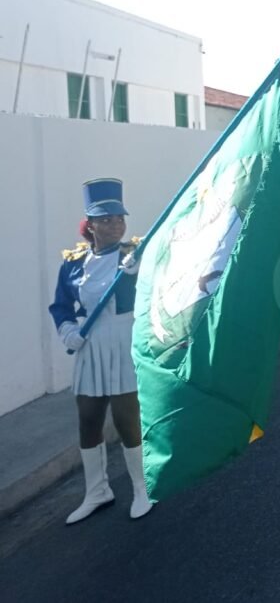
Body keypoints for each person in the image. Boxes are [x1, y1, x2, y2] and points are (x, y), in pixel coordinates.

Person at [48, 179, 152, 523]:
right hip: (91, 345)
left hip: (124, 341)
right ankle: (97, 491)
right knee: (89, 418)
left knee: (126, 419)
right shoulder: (73, 263)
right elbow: (61, 306)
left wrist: (141, 272)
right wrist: (68, 332)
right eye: (106, 220)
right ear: (90, 225)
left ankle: (141, 487)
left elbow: (158, 285)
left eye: (119, 218)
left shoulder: (134, 255)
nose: (116, 225)